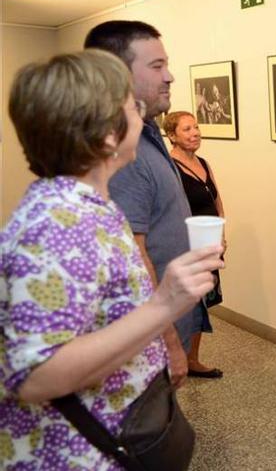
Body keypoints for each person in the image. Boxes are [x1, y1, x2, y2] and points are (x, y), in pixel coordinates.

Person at [0, 49, 223, 468]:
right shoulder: (57, 225)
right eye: (130, 106)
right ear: (106, 136)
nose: (141, 116)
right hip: (76, 454)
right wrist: (164, 305)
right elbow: (35, 375)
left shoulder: (91, 206)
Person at [84, 20, 203, 386]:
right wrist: (167, 339)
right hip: (147, 337)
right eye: (156, 66)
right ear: (117, 75)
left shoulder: (149, 132)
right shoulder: (123, 153)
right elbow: (134, 254)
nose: (170, 76)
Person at [165, 111, 226, 379]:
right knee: (185, 304)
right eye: (187, 129)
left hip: (208, 246)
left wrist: (221, 232)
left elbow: (216, 199)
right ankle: (173, 358)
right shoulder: (170, 167)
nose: (195, 133)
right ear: (172, 136)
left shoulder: (203, 162)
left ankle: (192, 359)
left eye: (196, 127)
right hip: (185, 247)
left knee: (201, 302)